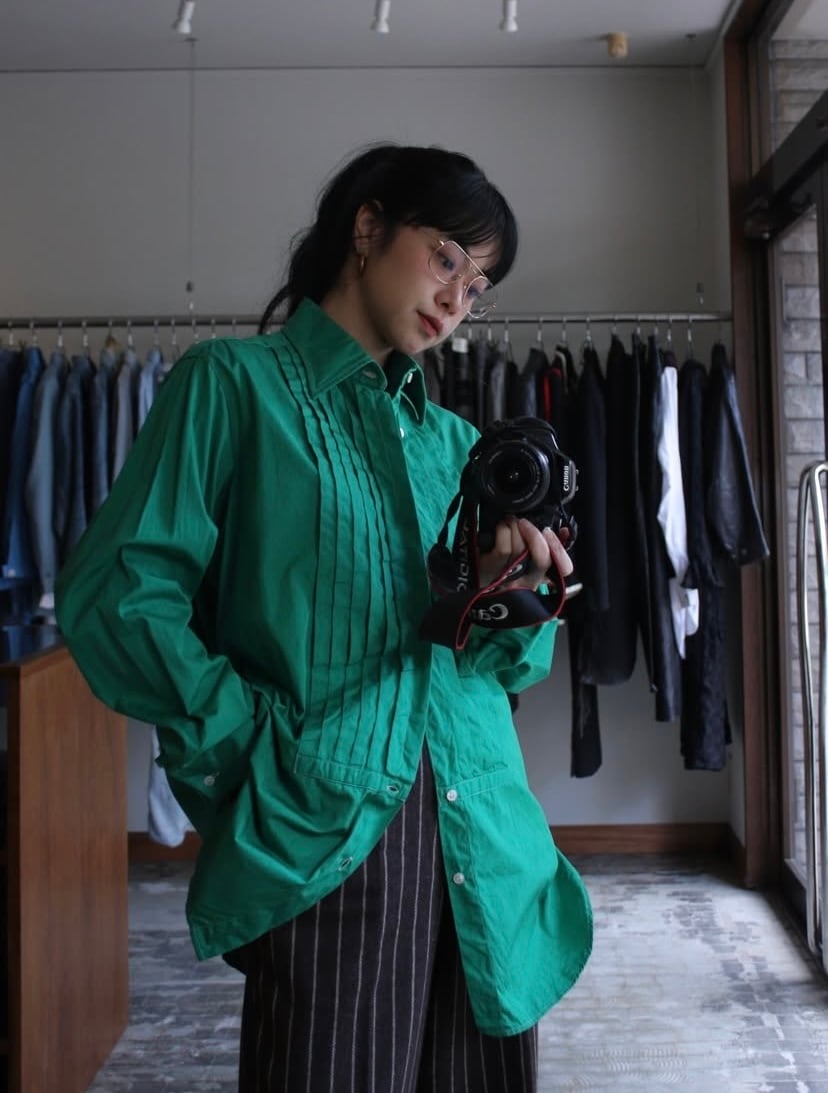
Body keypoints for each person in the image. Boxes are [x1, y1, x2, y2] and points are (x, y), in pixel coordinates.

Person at [55, 143, 593, 1093]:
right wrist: (246, 747)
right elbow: (120, 595)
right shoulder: (233, 386)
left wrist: (510, 596)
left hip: (488, 829)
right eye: (445, 256)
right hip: (331, 830)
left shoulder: (457, 443)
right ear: (368, 227)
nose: (456, 299)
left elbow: (496, 671)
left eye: (478, 286)